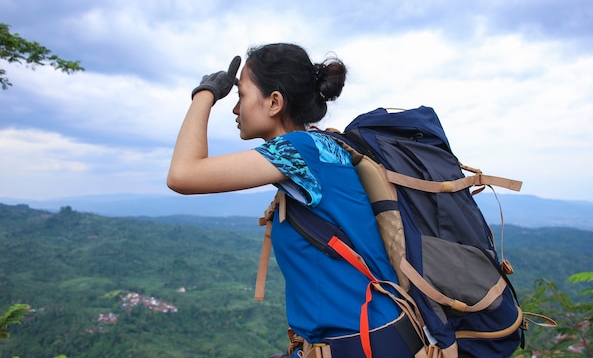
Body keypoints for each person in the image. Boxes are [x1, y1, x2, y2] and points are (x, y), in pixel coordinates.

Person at [167, 43, 422, 358]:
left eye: (240, 96)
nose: (235, 109)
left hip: (366, 344)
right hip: (364, 339)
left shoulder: (302, 150)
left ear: (274, 102)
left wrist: (205, 93)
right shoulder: (314, 149)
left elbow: (182, 174)